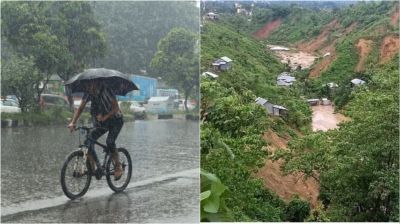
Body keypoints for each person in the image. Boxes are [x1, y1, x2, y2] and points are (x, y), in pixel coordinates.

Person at [67, 80, 123, 180]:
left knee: (110, 142)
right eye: (86, 85)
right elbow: (80, 108)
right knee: (88, 141)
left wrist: (105, 117)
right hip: (102, 123)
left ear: (94, 83)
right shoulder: (88, 93)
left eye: (88, 84)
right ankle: (92, 167)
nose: (87, 87)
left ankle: (118, 166)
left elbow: (116, 108)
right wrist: (73, 122)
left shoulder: (107, 90)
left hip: (116, 121)